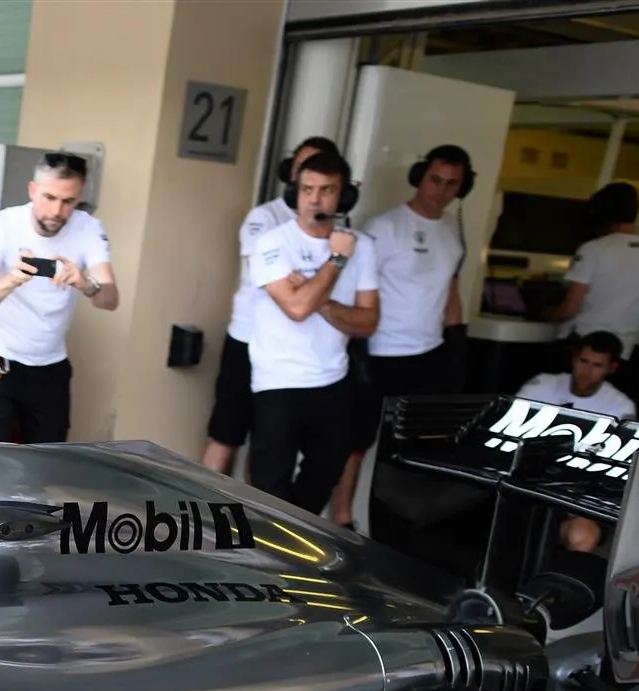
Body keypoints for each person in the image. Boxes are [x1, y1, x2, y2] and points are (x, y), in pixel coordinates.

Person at [328, 144, 473, 528]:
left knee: (415, 448)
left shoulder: (453, 231)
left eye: (452, 183)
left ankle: (399, 526)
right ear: (420, 177)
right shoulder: (385, 227)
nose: (441, 190)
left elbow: (452, 289)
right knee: (356, 441)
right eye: (435, 180)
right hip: (380, 352)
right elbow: (355, 286)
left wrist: (457, 340)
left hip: (429, 353)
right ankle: (341, 519)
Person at [246, 150, 380, 516]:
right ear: (295, 193)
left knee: (326, 473)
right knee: (269, 488)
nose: (314, 200)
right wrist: (335, 262)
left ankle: (293, 540)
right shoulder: (273, 243)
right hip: (278, 380)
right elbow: (297, 310)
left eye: (326, 190)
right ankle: (265, 545)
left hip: (332, 379)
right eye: (307, 190)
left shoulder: (362, 246)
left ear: (344, 196)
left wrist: (317, 297)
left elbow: (368, 322)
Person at [202, 136, 341, 476]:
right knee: (227, 434)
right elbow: (270, 278)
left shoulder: (338, 231)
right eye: (303, 169)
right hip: (248, 338)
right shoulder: (264, 217)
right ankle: (197, 508)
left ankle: (252, 510)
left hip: (296, 355)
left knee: (268, 447)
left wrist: (309, 288)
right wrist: (311, 287)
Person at [0, 152, 117, 444]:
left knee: (48, 459)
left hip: (50, 365)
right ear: (33, 190)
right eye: (49, 197)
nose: (56, 211)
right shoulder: (1, 224)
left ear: (79, 198)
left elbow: (110, 299)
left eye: (68, 201)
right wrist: (12, 279)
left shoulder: (89, 228)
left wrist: (85, 284)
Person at [518, 333, 637, 556]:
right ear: (574, 359)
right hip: (526, 480)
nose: (587, 371)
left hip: (577, 489)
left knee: (582, 536)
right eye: (584, 361)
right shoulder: (542, 384)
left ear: (611, 368)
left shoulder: (621, 407)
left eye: (597, 365)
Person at [540, 183, 639, 395]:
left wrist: (547, 313)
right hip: (622, 350)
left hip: (583, 345)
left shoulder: (593, 249)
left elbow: (570, 308)